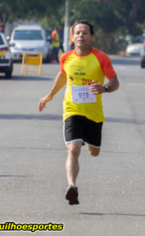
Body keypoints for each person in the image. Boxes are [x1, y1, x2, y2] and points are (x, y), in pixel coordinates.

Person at [39, 20, 119, 205]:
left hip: (93, 113)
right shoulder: (66, 57)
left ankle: (85, 140)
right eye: (77, 33)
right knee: (73, 150)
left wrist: (105, 88)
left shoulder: (101, 58)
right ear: (72, 37)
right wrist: (50, 95)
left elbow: (115, 81)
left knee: (94, 152)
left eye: (85, 33)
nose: (81, 36)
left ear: (92, 37)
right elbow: (62, 75)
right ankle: (71, 186)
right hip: (72, 110)